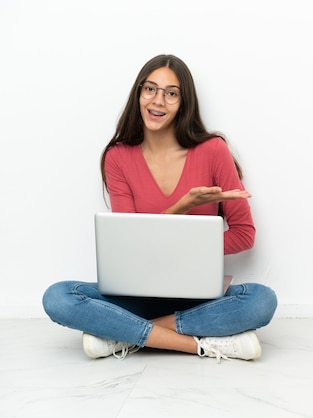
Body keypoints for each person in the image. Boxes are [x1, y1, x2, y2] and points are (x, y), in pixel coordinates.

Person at [42, 54, 277, 362]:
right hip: (136, 296)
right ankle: (203, 345)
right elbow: (128, 243)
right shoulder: (118, 156)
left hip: (198, 298)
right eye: (150, 89)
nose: (158, 101)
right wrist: (181, 208)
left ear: (184, 102)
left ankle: (123, 335)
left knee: (261, 301)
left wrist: (191, 249)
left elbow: (245, 235)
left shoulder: (213, 151)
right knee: (58, 298)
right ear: (138, 94)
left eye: (171, 93)